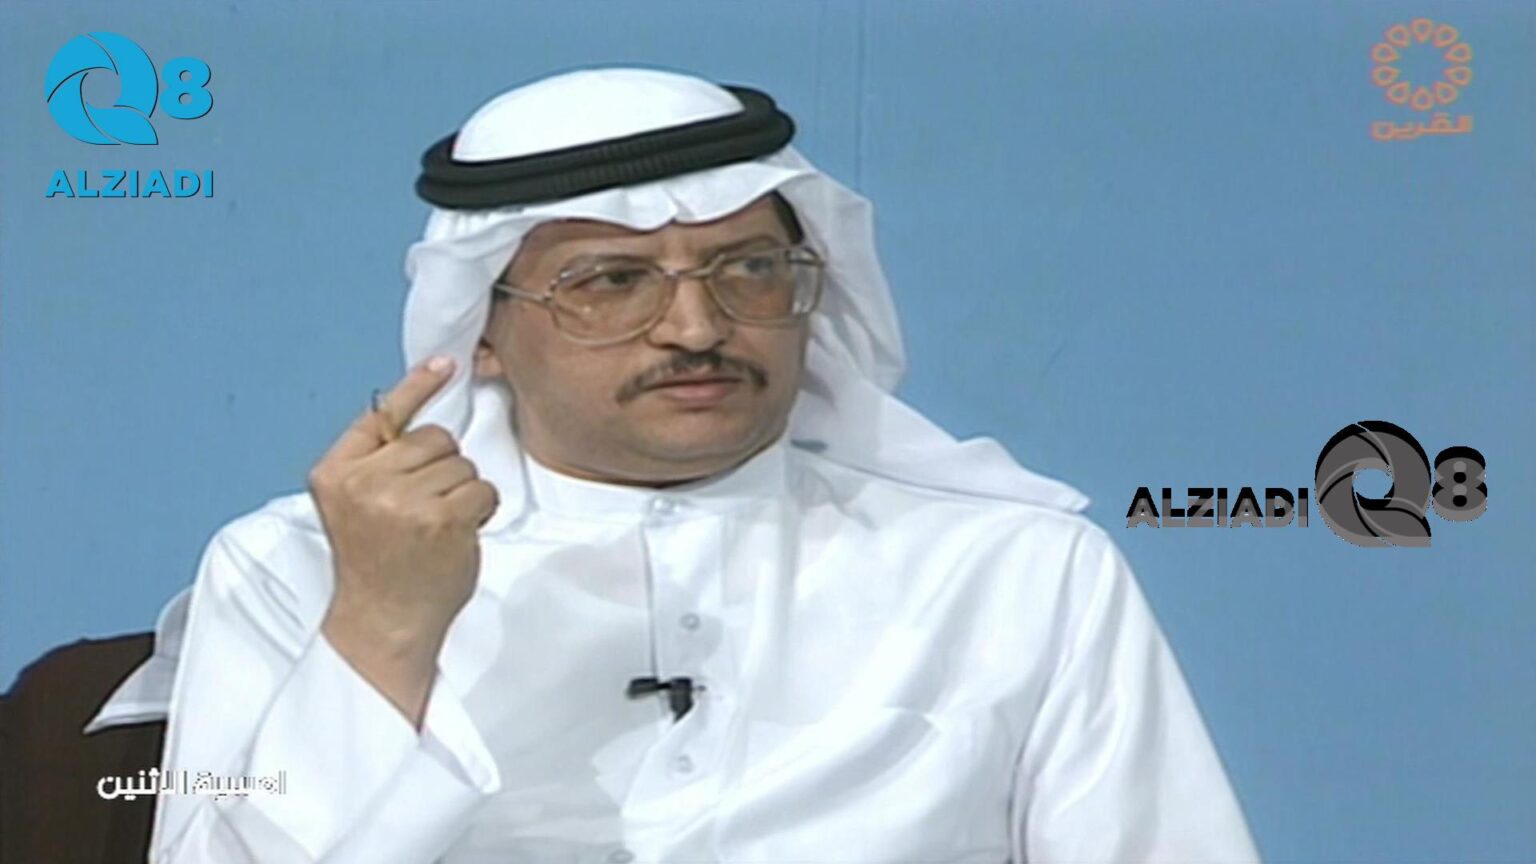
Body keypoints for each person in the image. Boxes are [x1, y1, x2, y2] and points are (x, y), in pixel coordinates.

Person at [86, 67, 1260, 863]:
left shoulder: (1014, 570)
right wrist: (383, 630)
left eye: (749, 271)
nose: (696, 327)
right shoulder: (294, 569)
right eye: (610, 282)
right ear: (481, 333)